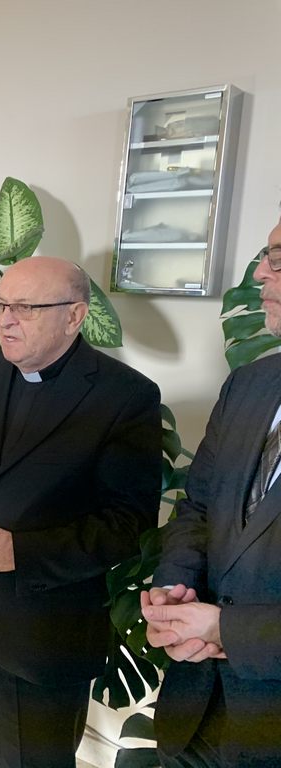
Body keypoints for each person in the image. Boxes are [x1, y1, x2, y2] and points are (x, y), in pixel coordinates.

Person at [0, 256, 162, 767]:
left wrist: (21, 552)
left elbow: (128, 523)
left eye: (25, 308)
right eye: (1, 305)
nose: (5, 320)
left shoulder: (124, 396)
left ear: (74, 316)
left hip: (43, 639)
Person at [141, 218, 281, 767]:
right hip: (197, 709)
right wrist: (174, 589)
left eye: (278, 259)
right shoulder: (250, 384)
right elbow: (199, 507)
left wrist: (229, 631)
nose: (261, 274)